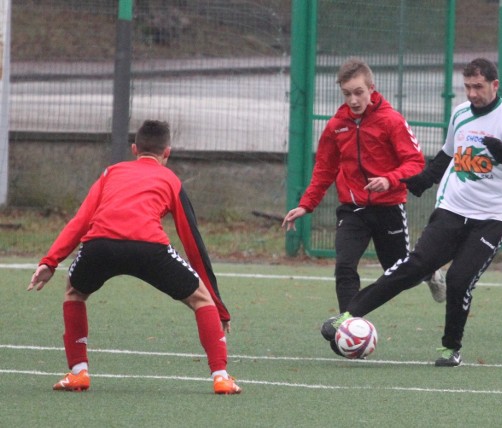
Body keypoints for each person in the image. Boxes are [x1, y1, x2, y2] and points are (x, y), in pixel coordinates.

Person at [321, 58, 502, 366]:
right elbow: (446, 157)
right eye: (468, 87)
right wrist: (420, 181)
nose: (472, 93)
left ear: (495, 85)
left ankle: (451, 347)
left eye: (479, 87)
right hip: (453, 208)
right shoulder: (460, 114)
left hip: (493, 217)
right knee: (412, 265)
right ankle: (349, 315)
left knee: (459, 280)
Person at [27, 120, 242, 395]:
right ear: (168, 152)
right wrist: (219, 306)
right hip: (149, 248)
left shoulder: (111, 172)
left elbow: (81, 220)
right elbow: (193, 243)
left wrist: (50, 261)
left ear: (133, 149)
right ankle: (221, 377)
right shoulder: (171, 179)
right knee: (201, 299)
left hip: (100, 245)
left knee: (75, 292)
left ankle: (79, 372)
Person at [281, 58, 446, 339]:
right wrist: (305, 205)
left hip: (389, 208)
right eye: (347, 94)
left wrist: (389, 179)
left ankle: (429, 273)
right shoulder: (336, 126)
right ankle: (348, 330)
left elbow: (416, 163)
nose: (353, 100)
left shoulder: (391, 121)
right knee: (344, 266)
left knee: (399, 272)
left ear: (372, 88)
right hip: (353, 210)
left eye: (358, 92)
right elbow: (324, 169)